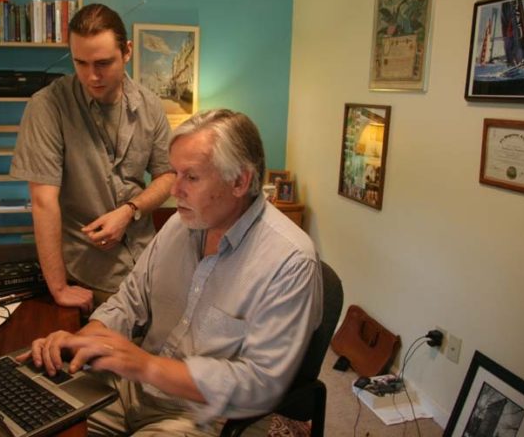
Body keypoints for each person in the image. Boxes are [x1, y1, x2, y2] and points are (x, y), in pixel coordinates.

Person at [19, 109, 323, 436]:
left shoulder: (290, 260)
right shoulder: (180, 224)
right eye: (174, 173)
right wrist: (81, 343)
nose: (174, 190)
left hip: (204, 415)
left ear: (240, 181)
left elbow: (259, 385)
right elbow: (129, 301)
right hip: (131, 387)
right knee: (32, 414)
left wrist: (147, 366)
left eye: (191, 177)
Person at [10, 4, 175, 311]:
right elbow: (43, 202)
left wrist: (130, 211)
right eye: (80, 63)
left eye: (103, 63)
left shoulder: (150, 105)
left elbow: (168, 174)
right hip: (88, 273)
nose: (92, 76)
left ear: (126, 52)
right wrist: (58, 288)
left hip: (149, 263)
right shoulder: (47, 107)